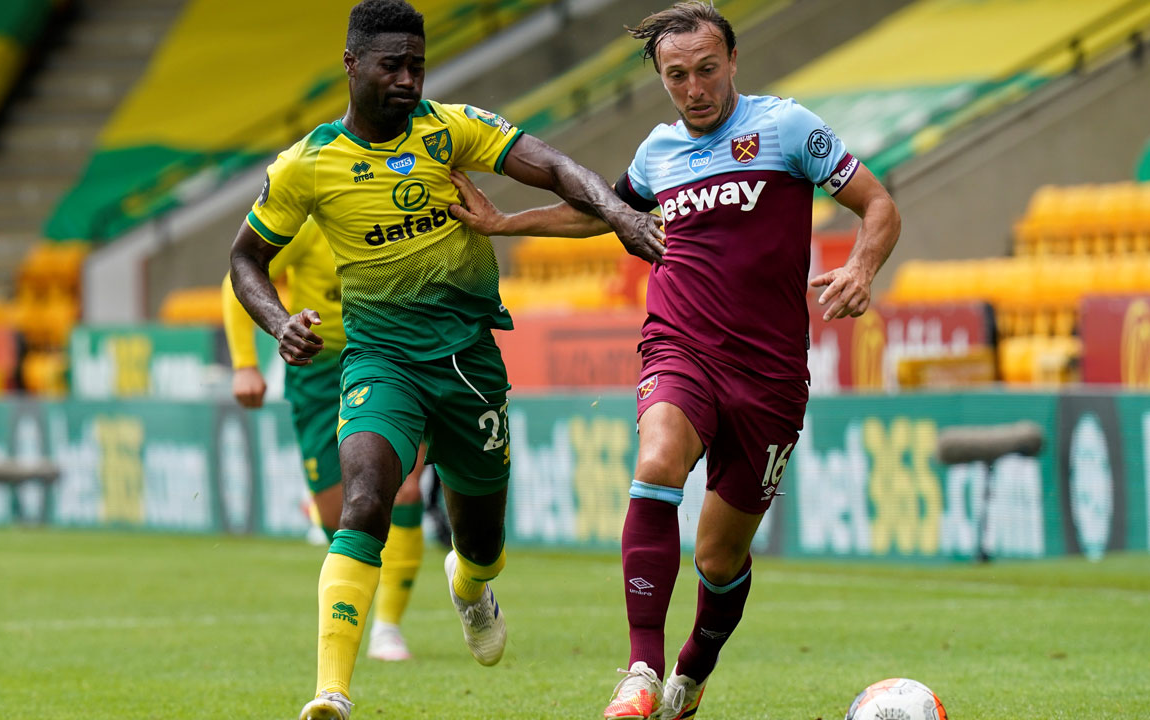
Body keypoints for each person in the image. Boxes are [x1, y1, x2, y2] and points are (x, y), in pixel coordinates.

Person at [447, 3, 901, 718]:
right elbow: (603, 212)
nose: (695, 88)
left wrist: (863, 269)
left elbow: (878, 204)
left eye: (707, 70)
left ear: (734, 63)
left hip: (772, 374)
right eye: (677, 75)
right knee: (657, 462)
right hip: (680, 343)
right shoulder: (657, 152)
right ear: (662, 78)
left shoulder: (785, 128)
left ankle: (691, 671)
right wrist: (508, 222)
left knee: (719, 560)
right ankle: (640, 670)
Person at [227, 2, 665, 719]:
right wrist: (278, 323)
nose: (407, 79)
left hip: (469, 365)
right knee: (366, 495)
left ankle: (470, 585)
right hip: (380, 362)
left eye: (417, 65)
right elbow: (246, 258)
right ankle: (331, 690)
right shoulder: (307, 165)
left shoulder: (450, 129)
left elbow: (551, 166)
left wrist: (618, 214)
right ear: (352, 64)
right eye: (391, 65)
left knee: (482, 540)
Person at [220, 219, 430, 663]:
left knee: (405, 488)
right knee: (342, 517)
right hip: (319, 372)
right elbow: (237, 277)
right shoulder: (307, 226)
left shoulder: (399, 213)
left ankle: (388, 627)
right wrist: (244, 363)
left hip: (389, 359)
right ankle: (357, 602)